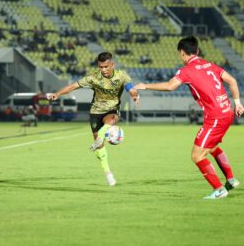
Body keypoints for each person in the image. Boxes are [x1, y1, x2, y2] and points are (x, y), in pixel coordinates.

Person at [134, 36, 244, 199]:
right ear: (197, 51)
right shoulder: (210, 65)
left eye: (181, 55)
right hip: (227, 111)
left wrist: (145, 86)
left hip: (215, 117)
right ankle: (231, 179)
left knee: (197, 155)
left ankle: (219, 189)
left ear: (182, 53)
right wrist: (238, 103)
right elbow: (232, 80)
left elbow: (170, 86)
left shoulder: (186, 70)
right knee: (212, 148)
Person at [48, 52, 139, 186]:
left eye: (106, 67)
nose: (103, 70)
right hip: (96, 111)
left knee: (112, 119)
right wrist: (58, 94)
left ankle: (101, 136)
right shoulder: (93, 78)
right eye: (101, 67)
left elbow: (130, 88)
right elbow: (73, 86)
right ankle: (108, 173)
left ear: (112, 65)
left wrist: (134, 95)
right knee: (100, 146)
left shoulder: (121, 75)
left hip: (112, 109)